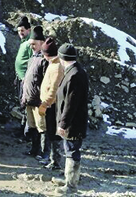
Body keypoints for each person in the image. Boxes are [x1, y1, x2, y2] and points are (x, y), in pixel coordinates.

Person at [54, 43, 89, 192]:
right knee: (69, 149)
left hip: (73, 123)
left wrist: (63, 124)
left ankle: (71, 185)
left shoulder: (74, 75)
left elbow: (70, 104)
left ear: (62, 58)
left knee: (72, 151)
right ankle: (68, 179)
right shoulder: (74, 71)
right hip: (72, 121)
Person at [21, 25, 49, 158]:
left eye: (34, 44)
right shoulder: (32, 59)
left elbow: (46, 82)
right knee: (32, 126)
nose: (32, 46)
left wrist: (44, 100)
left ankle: (44, 153)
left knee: (42, 127)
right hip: (29, 99)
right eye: (31, 44)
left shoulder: (44, 60)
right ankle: (34, 149)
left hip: (38, 100)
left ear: (42, 43)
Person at [38, 38, 65, 170]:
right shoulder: (53, 64)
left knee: (54, 133)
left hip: (52, 106)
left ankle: (55, 161)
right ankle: (51, 159)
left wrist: (46, 103)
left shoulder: (57, 67)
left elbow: (54, 89)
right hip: (50, 105)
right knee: (50, 131)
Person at [14, 16, 32, 136]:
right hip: (21, 78)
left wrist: (27, 78)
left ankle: (26, 132)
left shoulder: (30, 43)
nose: (20, 33)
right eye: (19, 30)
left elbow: (33, 61)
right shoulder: (23, 42)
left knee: (26, 105)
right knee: (22, 103)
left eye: (23, 30)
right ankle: (23, 128)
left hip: (26, 79)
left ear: (29, 30)